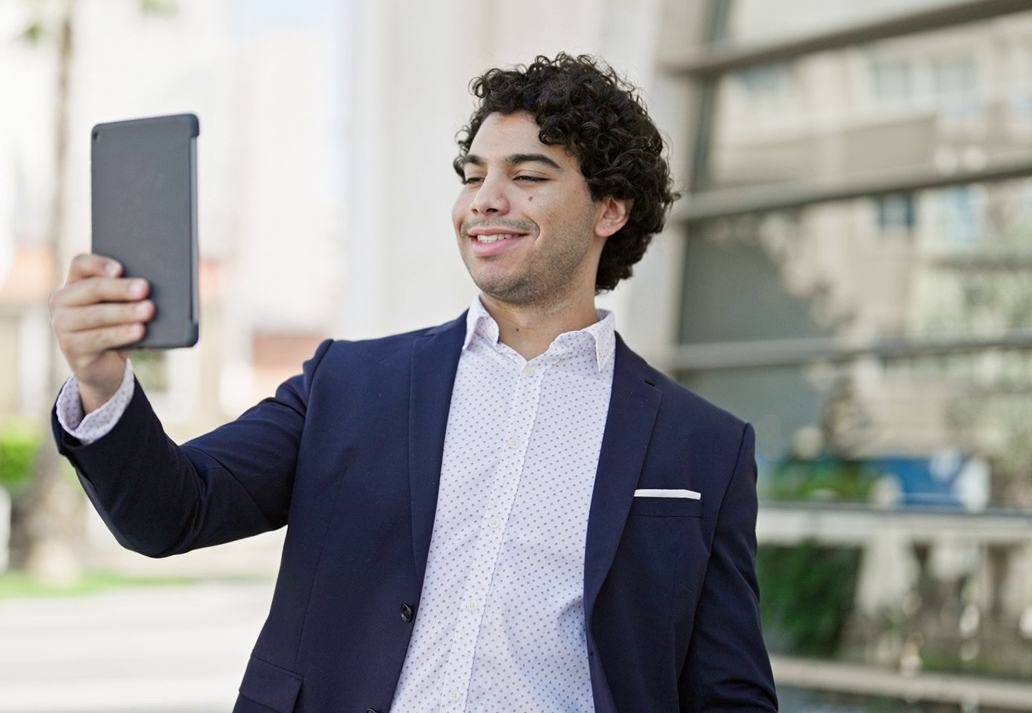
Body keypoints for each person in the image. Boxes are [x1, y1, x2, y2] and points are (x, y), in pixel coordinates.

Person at [49, 53, 778, 713]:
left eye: (527, 176)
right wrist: (102, 378)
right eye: (473, 176)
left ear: (610, 210)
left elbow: (728, 693)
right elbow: (171, 512)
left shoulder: (703, 447)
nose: (484, 200)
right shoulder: (350, 386)